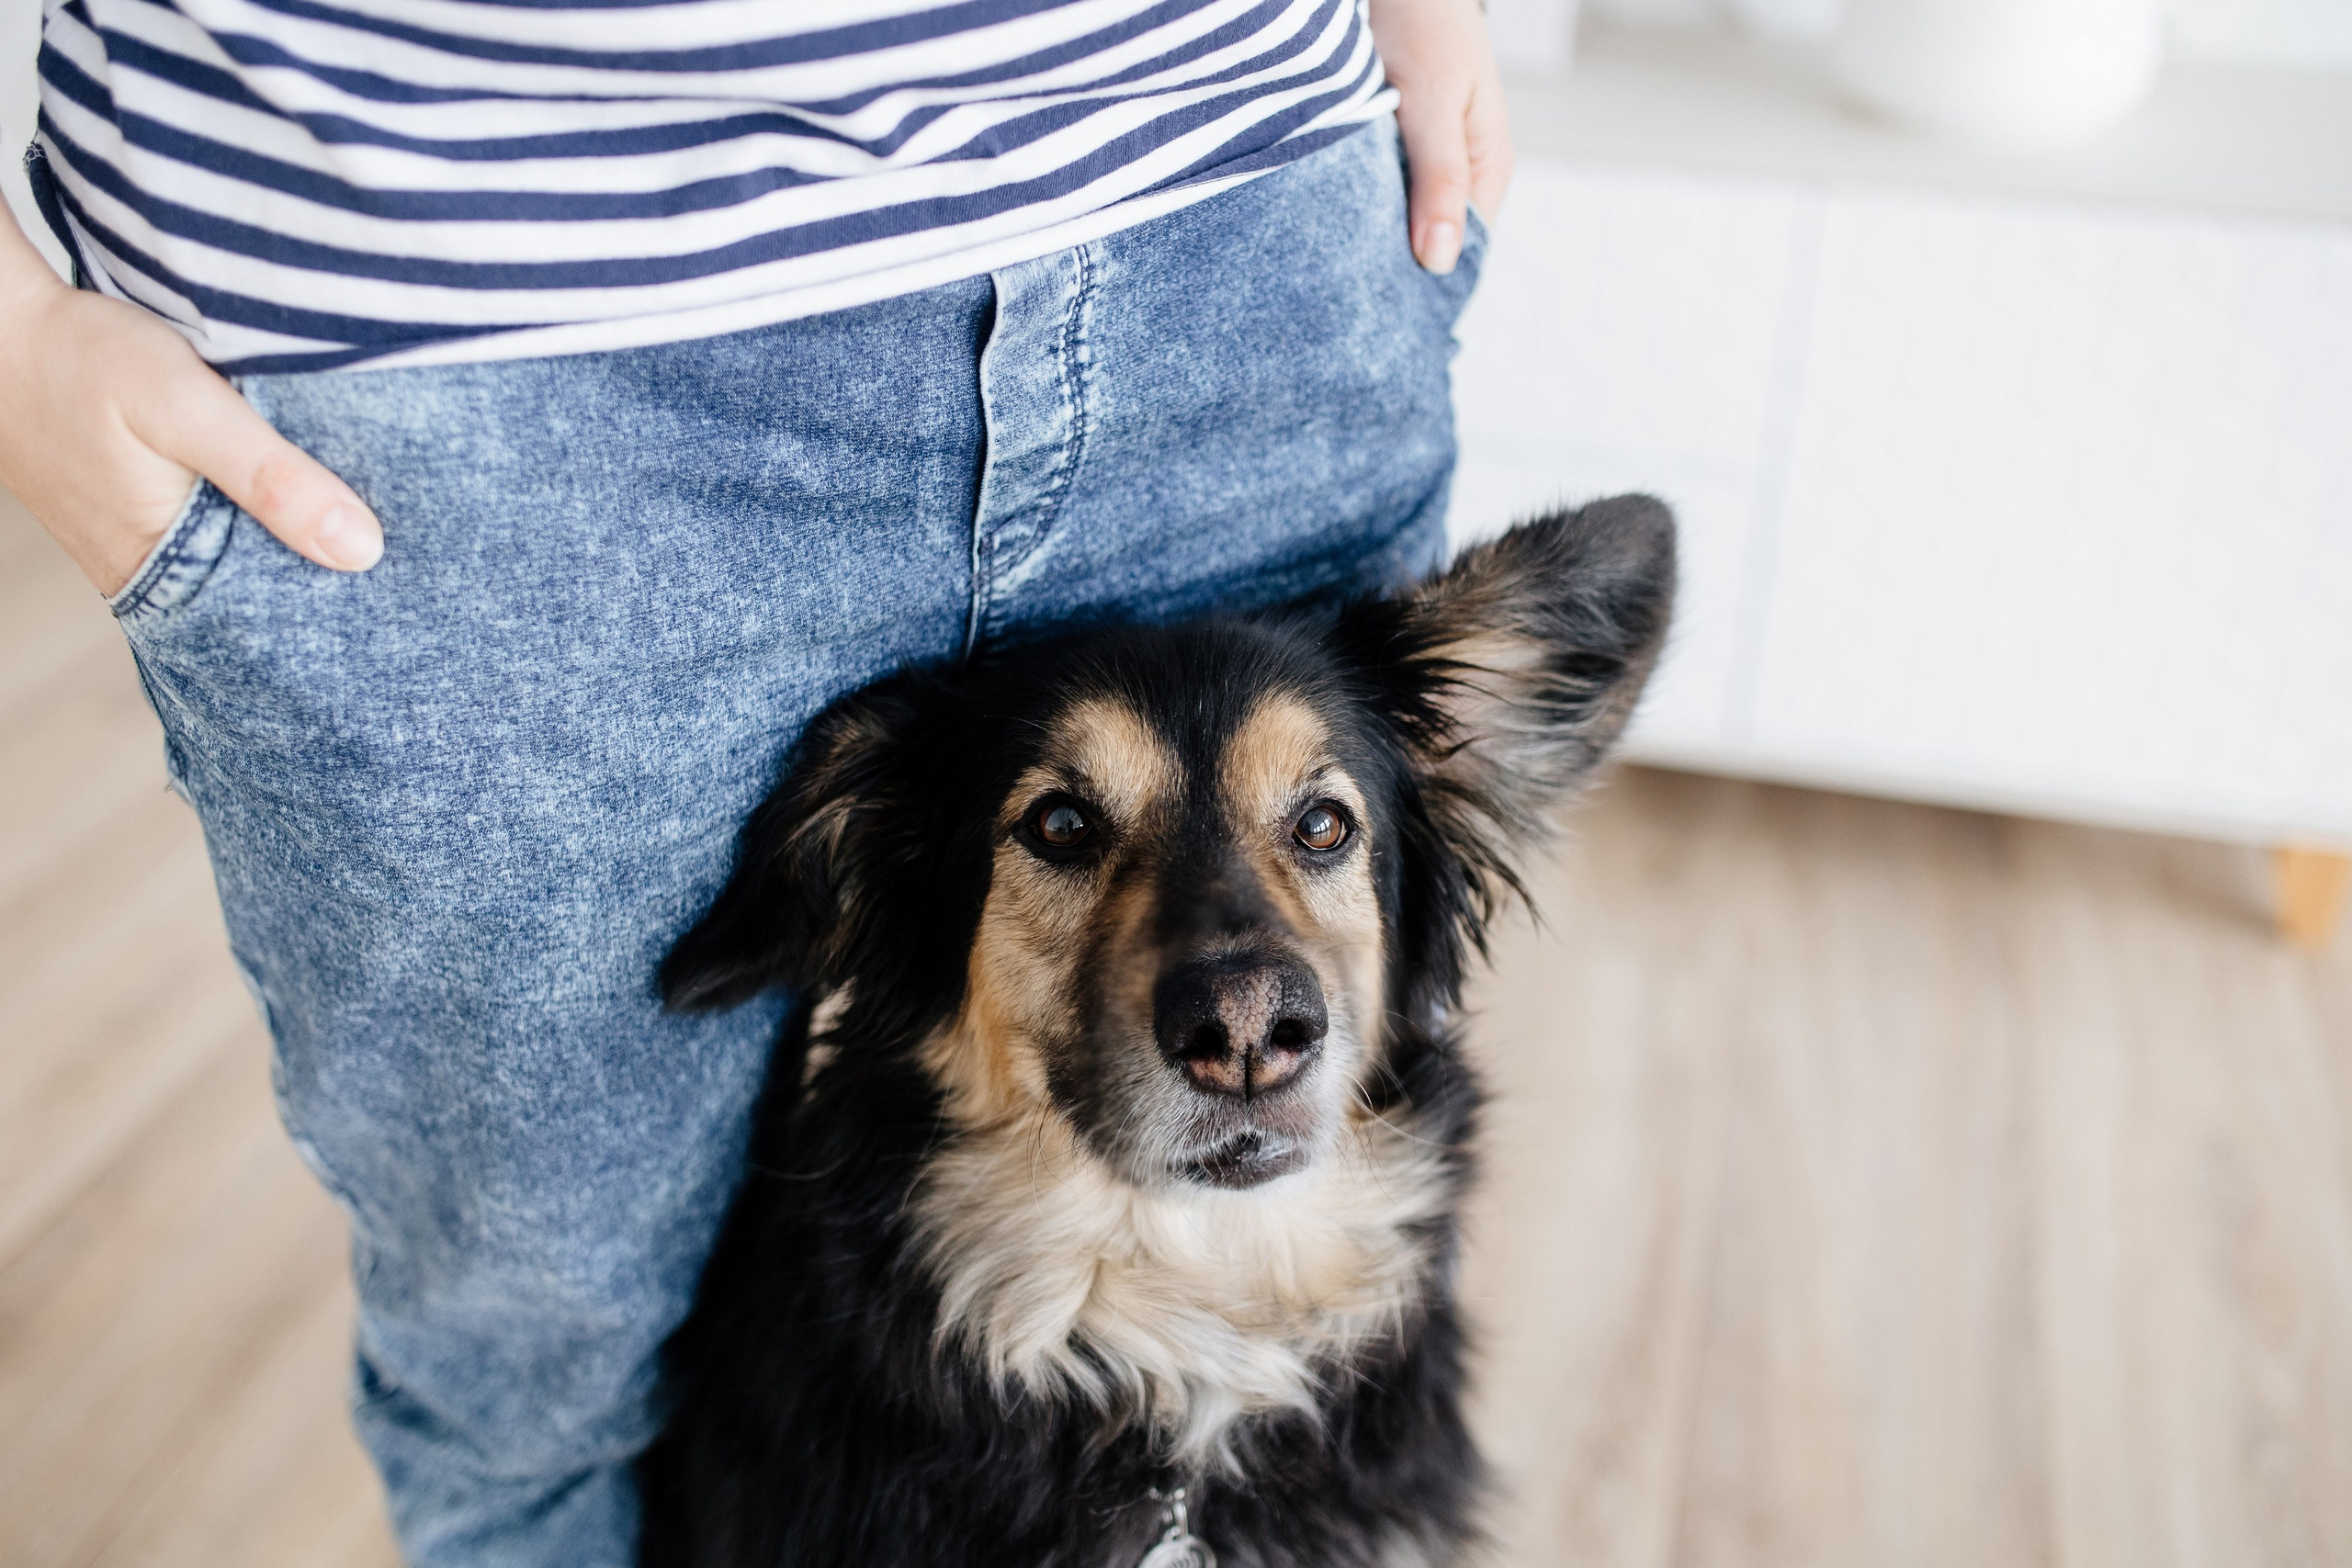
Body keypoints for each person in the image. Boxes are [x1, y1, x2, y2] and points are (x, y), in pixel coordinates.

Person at [0, 1, 1511, 1562]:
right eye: (1062, 830)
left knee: (1317, 1292)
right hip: (476, 400)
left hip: (1235, 230)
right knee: (542, 1371)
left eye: (1318, 824)